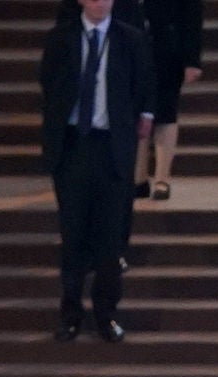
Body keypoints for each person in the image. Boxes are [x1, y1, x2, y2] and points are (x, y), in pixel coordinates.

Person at [39, 0, 153, 342]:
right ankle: (70, 313)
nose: (101, 2)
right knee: (73, 237)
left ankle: (106, 315)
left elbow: (144, 82)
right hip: (74, 145)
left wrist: (139, 119)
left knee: (109, 241)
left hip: (112, 148)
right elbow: (48, 82)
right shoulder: (62, 38)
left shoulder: (130, 38)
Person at [139, 0, 201, 200]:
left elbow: (192, 14)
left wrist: (192, 60)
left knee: (165, 113)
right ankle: (137, 179)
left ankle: (162, 179)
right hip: (130, 46)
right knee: (133, 113)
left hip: (167, 47)